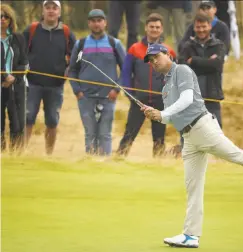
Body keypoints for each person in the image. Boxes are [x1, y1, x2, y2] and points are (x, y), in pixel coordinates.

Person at [141, 43, 243, 248]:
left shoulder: (181, 70)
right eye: (150, 60)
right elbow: (173, 118)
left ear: (167, 54)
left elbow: (187, 99)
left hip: (203, 126)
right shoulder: (165, 88)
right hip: (189, 138)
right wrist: (156, 115)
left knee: (239, 156)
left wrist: (164, 114)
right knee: (193, 187)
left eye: (156, 56)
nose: (154, 62)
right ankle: (191, 235)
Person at [117, 13, 176, 157]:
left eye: (157, 27)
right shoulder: (134, 49)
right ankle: (118, 160)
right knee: (129, 134)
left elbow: (174, 76)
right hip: (139, 101)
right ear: (146, 28)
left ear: (161, 30)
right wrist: (130, 95)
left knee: (159, 138)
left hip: (160, 102)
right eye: (152, 27)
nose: (154, 30)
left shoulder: (169, 51)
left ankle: (159, 165)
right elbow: (125, 74)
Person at [68, 9, 126, 156]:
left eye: (99, 20)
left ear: (105, 23)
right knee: (90, 133)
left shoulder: (114, 43)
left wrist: (116, 90)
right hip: (85, 97)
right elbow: (72, 70)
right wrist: (78, 91)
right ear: (89, 23)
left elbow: (126, 69)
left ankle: (104, 165)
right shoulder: (80, 44)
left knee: (105, 133)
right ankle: (91, 164)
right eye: (93, 21)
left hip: (108, 97)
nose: (96, 24)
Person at [23, 0, 76, 155]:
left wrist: (69, 69)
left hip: (56, 85)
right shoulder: (32, 29)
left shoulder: (66, 32)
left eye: (54, 8)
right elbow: (20, 51)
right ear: (43, 11)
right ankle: (21, 152)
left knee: (52, 121)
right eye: (48, 8)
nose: (51, 11)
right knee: (28, 118)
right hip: (32, 84)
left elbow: (77, 54)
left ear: (59, 12)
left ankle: (49, 155)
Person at [179, 13, 225, 128]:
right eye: (198, 27)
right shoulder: (187, 46)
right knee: (189, 135)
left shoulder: (218, 45)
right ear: (194, 28)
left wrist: (194, 61)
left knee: (216, 136)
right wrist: (208, 63)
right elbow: (182, 69)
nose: (201, 30)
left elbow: (217, 65)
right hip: (191, 98)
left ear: (210, 26)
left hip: (212, 96)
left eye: (204, 26)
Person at [1, 4, 28, 152]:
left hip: (16, 86)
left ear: (11, 20)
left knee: (17, 125)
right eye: (0, 16)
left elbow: (24, 63)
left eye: (6, 16)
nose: (2, 19)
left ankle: (17, 154)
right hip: (1, 86)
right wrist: (3, 78)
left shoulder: (18, 38)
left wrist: (13, 77)